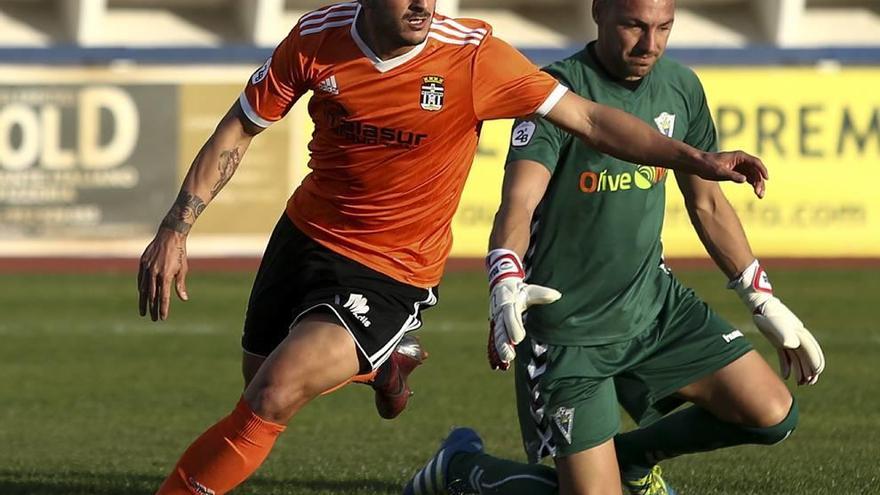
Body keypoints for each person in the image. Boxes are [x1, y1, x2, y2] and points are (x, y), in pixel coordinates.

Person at [136, 0, 770, 493]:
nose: (423, 5)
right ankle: (381, 365)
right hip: (305, 237)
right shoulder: (314, 39)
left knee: (273, 392)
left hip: (394, 268)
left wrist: (699, 159)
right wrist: (175, 228)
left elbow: (593, 119)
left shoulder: (473, 56)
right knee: (257, 383)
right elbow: (237, 131)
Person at [404, 1, 825, 494]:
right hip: (569, 333)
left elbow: (707, 203)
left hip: (655, 308)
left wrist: (762, 298)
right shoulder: (552, 93)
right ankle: (462, 470)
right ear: (599, 12)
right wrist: (505, 275)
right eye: (634, 26)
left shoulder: (681, 87)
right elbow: (518, 201)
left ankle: (627, 461)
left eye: (664, 28)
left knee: (772, 414)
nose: (650, 44)